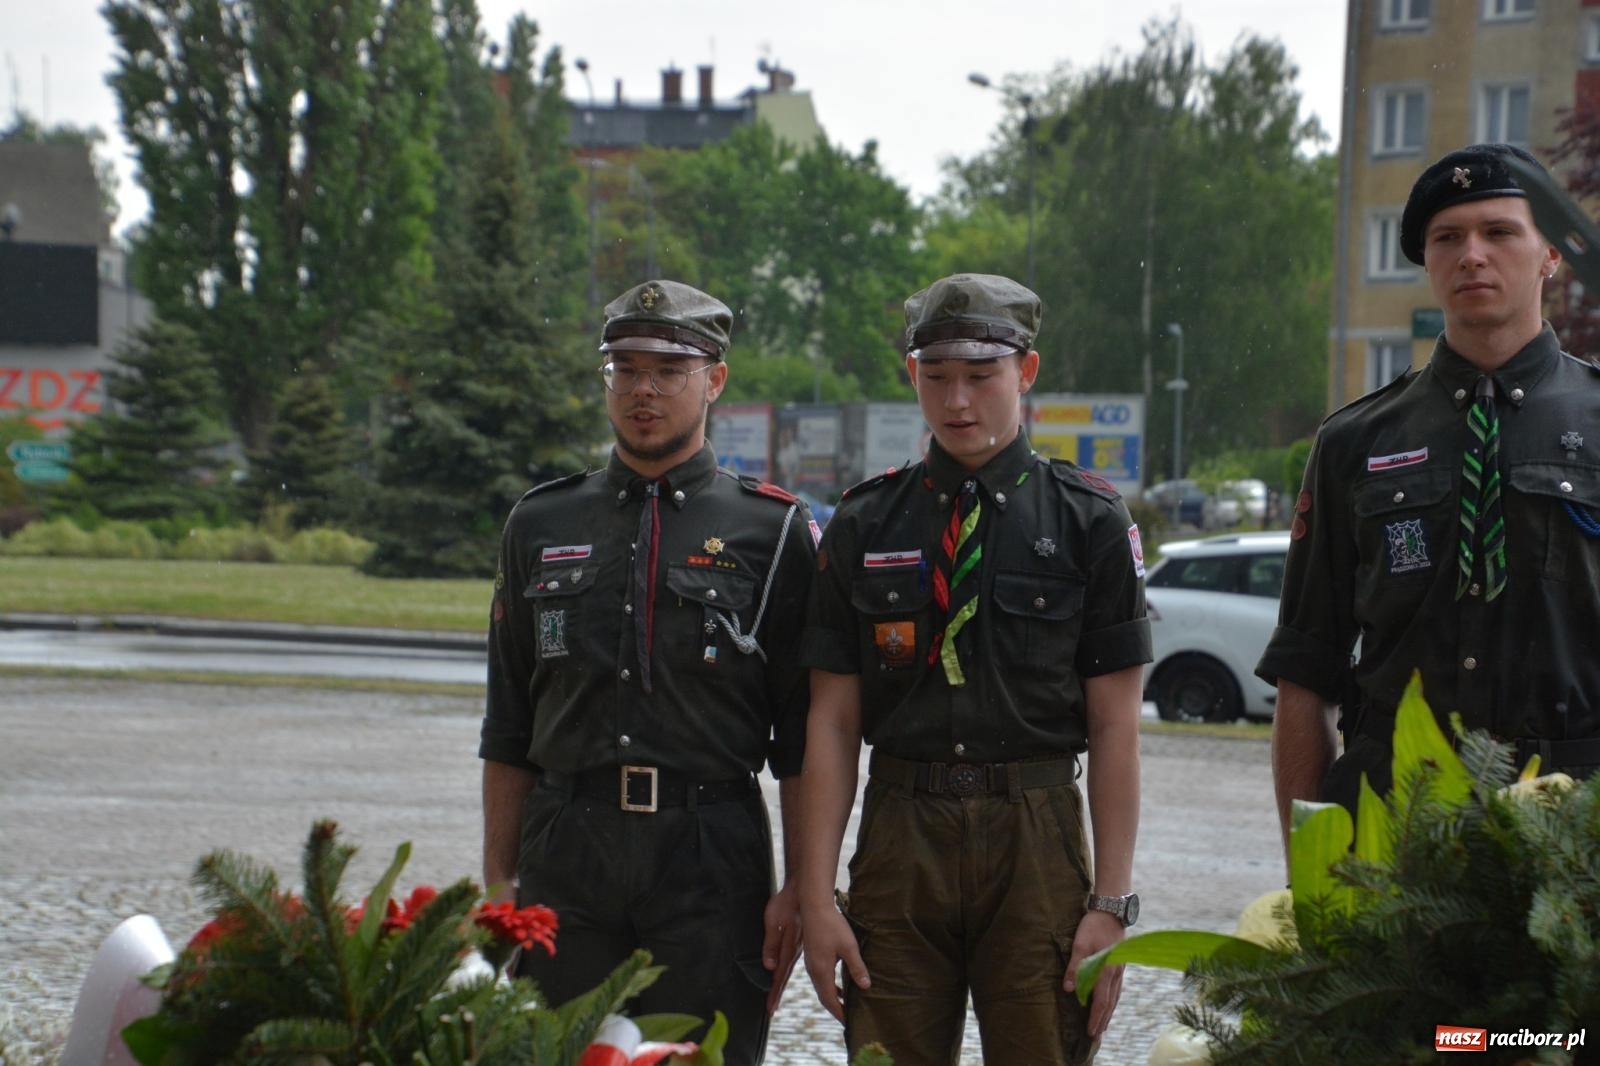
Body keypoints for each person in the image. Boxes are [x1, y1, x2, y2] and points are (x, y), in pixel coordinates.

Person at [795, 273, 1150, 1065]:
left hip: (1037, 840)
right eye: (937, 376)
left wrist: (1110, 904)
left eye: (981, 376)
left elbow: (1115, 725)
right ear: (911, 376)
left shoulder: (1089, 518)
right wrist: (817, 897)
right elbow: (832, 719)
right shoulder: (864, 521)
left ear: (1025, 372)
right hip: (900, 838)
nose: (958, 401)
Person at [479, 279, 816, 1064]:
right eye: (624, 368)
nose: (643, 390)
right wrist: (500, 877)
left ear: (715, 381)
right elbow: (508, 721)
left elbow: (801, 740)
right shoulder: (541, 522)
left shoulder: (774, 532)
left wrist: (801, 885)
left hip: (709, 858)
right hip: (567, 848)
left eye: (669, 369)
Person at [1259, 143, 1600, 857]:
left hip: (1573, 842)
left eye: (1500, 232)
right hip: (1393, 833)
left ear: (1549, 257)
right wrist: (1312, 870)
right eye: (1448, 238)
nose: (1472, 254)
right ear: (1428, 262)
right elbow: (1306, 670)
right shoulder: (1353, 441)